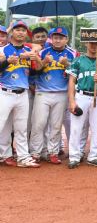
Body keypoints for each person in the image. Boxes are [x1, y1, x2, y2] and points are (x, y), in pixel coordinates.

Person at [28, 27, 76, 164]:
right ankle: (35, 152)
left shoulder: (72, 54)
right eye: (55, 37)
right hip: (43, 92)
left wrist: (67, 64)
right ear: (51, 39)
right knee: (38, 124)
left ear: (66, 39)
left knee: (56, 125)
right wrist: (44, 61)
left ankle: (53, 152)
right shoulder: (43, 52)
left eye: (61, 38)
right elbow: (35, 70)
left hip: (62, 93)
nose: (58, 40)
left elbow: (76, 73)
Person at [0, 21, 42, 167]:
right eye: (17, 29)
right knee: (2, 126)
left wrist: (36, 59)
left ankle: (23, 157)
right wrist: (7, 61)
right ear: (12, 32)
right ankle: (4, 155)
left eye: (23, 30)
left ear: (26, 34)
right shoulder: (3, 49)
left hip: (23, 92)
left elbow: (36, 72)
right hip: (5, 92)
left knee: (21, 127)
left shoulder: (29, 51)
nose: (20, 32)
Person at [65, 41, 97, 168]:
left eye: (96, 43)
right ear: (86, 44)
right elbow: (72, 81)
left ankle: (93, 156)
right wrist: (72, 101)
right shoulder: (78, 60)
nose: (93, 46)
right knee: (76, 128)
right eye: (91, 43)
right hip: (81, 96)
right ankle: (74, 156)